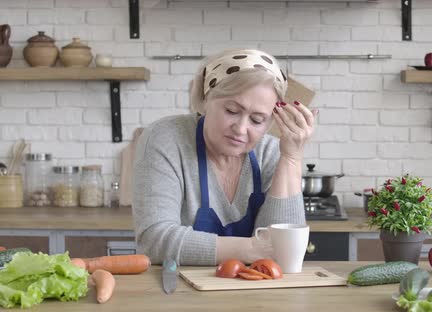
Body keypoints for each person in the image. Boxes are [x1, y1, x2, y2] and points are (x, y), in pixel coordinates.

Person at [132, 49, 318, 265]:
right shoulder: (166, 139)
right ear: (205, 100)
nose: (240, 129)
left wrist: (292, 158)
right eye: (231, 110)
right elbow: (154, 242)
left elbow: (284, 254)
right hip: (179, 294)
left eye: (257, 120)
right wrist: (253, 248)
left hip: (257, 292)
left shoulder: (271, 152)